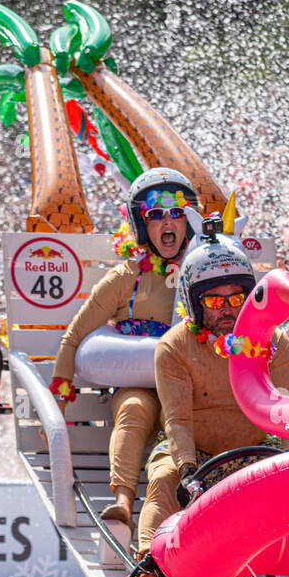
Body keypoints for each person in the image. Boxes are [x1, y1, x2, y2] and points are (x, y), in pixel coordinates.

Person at [49, 168, 197, 540]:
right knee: (133, 410)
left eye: (177, 213)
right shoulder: (125, 277)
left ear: (190, 221)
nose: (168, 221)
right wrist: (57, 409)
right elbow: (74, 338)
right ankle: (121, 500)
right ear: (140, 223)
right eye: (156, 214)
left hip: (185, 386)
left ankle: (183, 512)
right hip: (136, 382)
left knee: (179, 420)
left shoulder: (199, 274)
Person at [140, 224, 289, 556]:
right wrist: (186, 469)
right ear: (194, 303)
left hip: (257, 448)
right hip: (191, 455)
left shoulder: (276, 341)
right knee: (163, 479)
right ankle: (147, 567)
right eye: (213, 300)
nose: (226, 309)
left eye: (236, 298)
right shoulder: (174, 347)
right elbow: (177, 421)